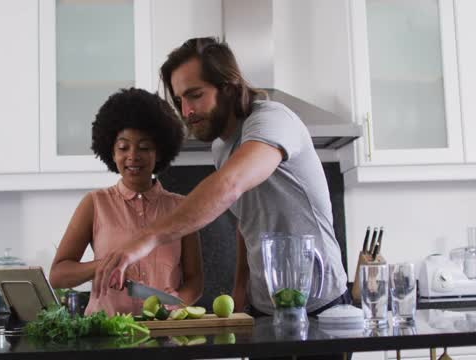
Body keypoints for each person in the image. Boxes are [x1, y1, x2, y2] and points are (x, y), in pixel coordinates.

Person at [93, 37, 349, 321]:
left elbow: (230, 185)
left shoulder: (273, 121)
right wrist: (240, 288)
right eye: (179, 100)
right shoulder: (221, 146)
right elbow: (246, 219)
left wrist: (146, 238)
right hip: (263, 308)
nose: (186, 111)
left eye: (195, 95)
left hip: (318, 308)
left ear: (227, 88)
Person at [49, 87, 203, 316]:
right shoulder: (94, 204)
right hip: (106, 335)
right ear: (111, 152)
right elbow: (58, 275)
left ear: (159, 152)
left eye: (144, 147)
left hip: (164, 334)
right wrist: (102, 265)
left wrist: (176, 303)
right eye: (123, 147)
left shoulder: (181, 208)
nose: (133, 156)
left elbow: (195, 280)